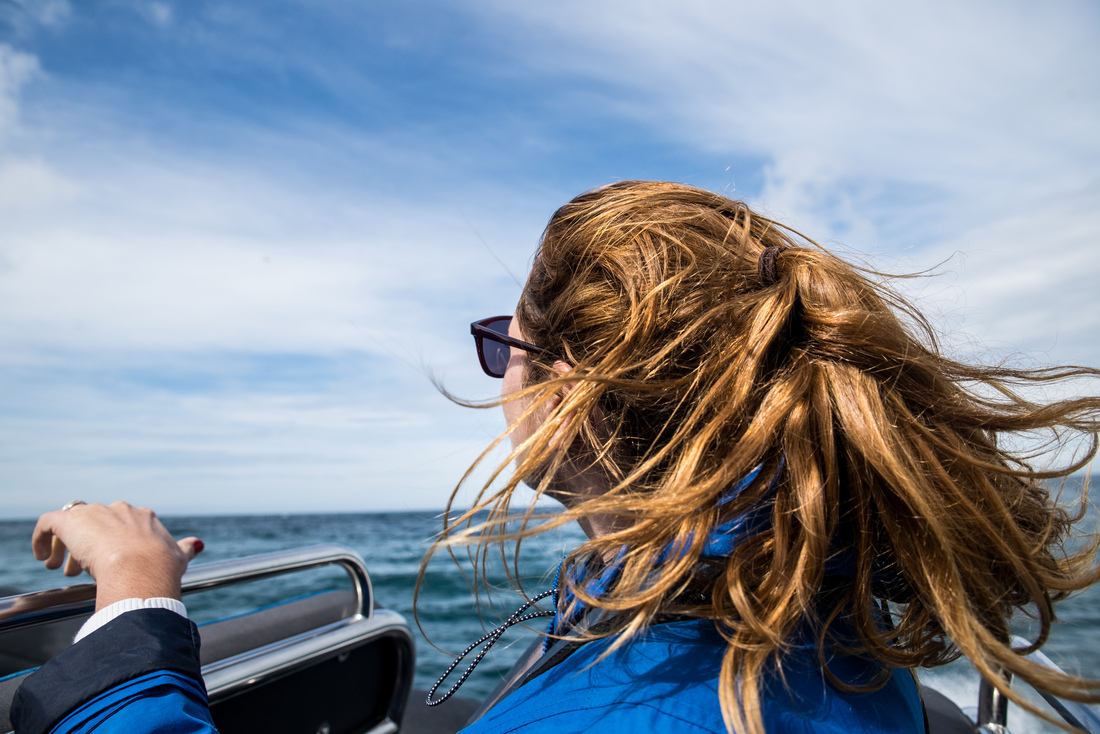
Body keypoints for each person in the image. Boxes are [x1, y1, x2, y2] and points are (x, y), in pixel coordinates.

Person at [12, 180, 1100, 734]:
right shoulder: (816, 620)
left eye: (504, 344)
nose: (500, 379)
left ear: (569, 386)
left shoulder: (638, 700)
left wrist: (135, 612)